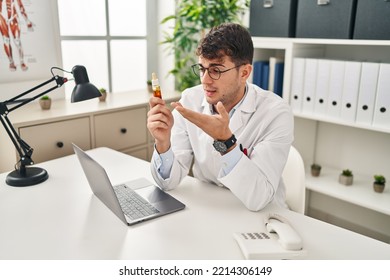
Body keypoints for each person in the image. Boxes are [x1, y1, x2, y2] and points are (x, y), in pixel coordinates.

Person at [147, 23, 294, 211]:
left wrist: (226, 142)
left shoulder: (275, 113)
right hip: (210, 207)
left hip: (261, 217)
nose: (205, 80)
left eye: (216, 70)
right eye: (202, 69)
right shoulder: (190, 100)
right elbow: (169, 183)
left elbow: (259, 198)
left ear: (244, 72)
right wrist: (162, 143)